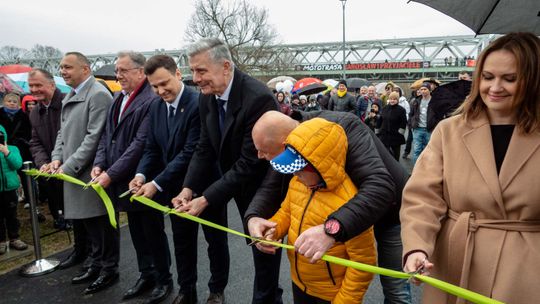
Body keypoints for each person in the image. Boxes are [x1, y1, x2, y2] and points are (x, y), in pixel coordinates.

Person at [401, 32, 540, 304]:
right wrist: (416, 247)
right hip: (456, 260)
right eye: (488, 77)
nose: (495, 87)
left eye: (509, 79)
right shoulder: (449, 131)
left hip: (526, 271)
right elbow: (422, 197)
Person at [247, 110, 412, 304]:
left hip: (391, 213)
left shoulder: (342, 130)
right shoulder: (300, 170)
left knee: (396, 290)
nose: (259, 156)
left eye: (264, 151)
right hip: (308, 282)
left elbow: (380, 188)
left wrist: (331, 229)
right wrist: (256, 217)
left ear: (286, 144)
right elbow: (278, 194)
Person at [173, 38, 280, 304]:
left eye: (201, 71)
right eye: (193, 71)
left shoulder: (258, 98)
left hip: (261, 186)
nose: (195, 79)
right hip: (229, 180)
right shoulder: (207, 97)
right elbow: (204, 147)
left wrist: (205, 198)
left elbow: (249, 162)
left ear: (225, 67)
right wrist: (188, 188)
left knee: (264, 255)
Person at [128, 54, 229, 304]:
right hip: (175, 190)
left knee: (215, 241)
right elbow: (152, 148)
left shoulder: (199, 103)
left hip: (207, 186)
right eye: (154, 86)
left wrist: (156, 183)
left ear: (177, 74)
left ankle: (217, 290)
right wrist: (141, 175)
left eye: (164, 84)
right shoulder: (154, 107)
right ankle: (187, 290)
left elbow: (192, 151)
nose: (161, 91)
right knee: (182, 241)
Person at [263, 118, 376, 303]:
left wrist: (344, 301)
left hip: (331, 295)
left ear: (320, 166)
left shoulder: (351, 203)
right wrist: (273, 231)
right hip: (299, 282)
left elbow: (363, 262)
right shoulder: (298, 183)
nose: (294, 174)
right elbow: (287, 212)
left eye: (299, 170)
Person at [91, 52, 172, 303]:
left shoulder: (150, 100)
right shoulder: (118, 98)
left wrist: (110, 174)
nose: (118, 75)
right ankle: (146, 274)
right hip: (120, 180)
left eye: (123, 70)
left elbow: (140, 144)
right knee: (137, 232)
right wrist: (99, 164)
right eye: (117, 71)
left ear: (140, 72)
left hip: (142, 179)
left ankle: (163, 279)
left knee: (152, 231)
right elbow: (107, 136)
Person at [46, 52, 114, 294]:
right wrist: (56, 160)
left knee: (100, 224)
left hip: (88, 173)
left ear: (85, 69)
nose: (63, 71)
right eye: (61, 67)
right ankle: (95, 264)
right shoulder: (72, 95)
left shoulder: (97, 94)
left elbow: (94, 138)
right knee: (88, 224)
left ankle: (107, 269)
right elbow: (62, 134)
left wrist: (68, 166)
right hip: (73, 172)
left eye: (67, 67)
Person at [27, 69, 68, 231]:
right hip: (50, 170)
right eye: (31, 86)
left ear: (51, 85)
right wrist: (43, 163)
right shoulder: (35, 113)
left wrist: (61, 161)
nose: (34, 89)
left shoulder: (67, 103)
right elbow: (35, 142)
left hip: (70, 167)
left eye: (38, 85)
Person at [0, 93, 32, 208]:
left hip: (21, 148)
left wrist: (23, 141)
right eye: (9, 101)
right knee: (6, 173)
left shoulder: (23, 116)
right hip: (3, 149)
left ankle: (30, 198)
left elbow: (29, 131)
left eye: (15, 102)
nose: (12, 103)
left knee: (25, 174)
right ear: (4, 102)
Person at [0, 124, 28, 255]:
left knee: (12, 215)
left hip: (10, 188)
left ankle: (14, 238)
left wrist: (7, 152)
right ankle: (1, 241)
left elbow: (17, 164)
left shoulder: (13, 149)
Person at [377, 92, 407, 161]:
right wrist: (377, 132)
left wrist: (400, 133)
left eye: (394, 99)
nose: (392, 100)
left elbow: (403, 122)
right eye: (391, 99)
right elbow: (380, 120)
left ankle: (396, 168)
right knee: (384, 153)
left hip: (395, 135)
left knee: (396, 154)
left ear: (397, 100)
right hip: (384, 135)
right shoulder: (385, 108)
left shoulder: (401, 110)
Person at [408, 82, 433, 163]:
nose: (423, 91)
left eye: (425, 89)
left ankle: (426, 169)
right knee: (416, 151)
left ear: (429, 90)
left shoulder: (434, 101)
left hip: (429, 129)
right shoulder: (416, 101)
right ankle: (416, 170)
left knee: (428, 151)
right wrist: (411, 125)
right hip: (418, 129)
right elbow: (411, 114)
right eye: (421, 89)